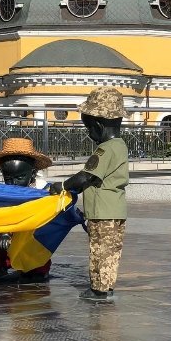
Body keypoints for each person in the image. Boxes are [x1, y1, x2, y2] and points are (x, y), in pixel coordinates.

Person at [49, 87, 129, 301]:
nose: (88, 133)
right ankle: (107, 287)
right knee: (110, 252)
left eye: (89, 128)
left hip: (102, 212)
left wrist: (63, 186)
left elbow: (86, 176)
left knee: (99, 251)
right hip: (114, 210)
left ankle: (99, 291)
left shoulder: (106, 149)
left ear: (99, 125)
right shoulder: (120, 146)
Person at [0, 137, 54, 283]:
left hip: (33, 237)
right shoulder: (4, 193)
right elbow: (5, 214)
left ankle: (37, 269)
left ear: (32, 174)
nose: (13, 183)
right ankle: (0, 267)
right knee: (0, 236)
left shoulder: (43, 191)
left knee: (35, 242)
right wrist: (6, 232)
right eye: (8, 178)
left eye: (20, 177)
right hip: (9, 233)